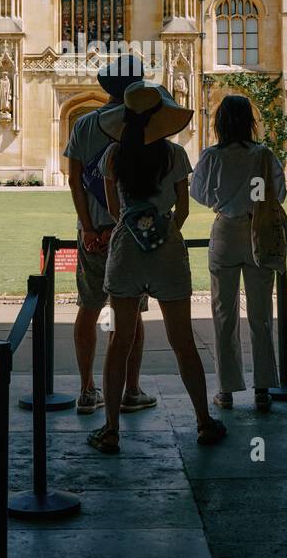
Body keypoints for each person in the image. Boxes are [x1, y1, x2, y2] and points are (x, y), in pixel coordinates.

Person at [85, 82, 227, 453]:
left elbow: (115, 211)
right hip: (167, 249)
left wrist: (135, 228)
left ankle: (111, 429)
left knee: (119, 341)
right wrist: (163, 232)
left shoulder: (113, 155)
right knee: (183, 341)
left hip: (125, 249)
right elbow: (183, 209)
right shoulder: (176, 155)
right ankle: (203, 422)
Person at [64, 55, 155, 416]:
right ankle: (131, 390)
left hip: (93, 233)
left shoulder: (85, 123)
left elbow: (74, 179)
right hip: (130, 232)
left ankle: (87, 390)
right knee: (130, 314)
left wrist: (88, 227)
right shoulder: (144, 124)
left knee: (88, 308)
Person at [190, 94, 287, 412]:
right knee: (261, 316)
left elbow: (200, 194)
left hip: (225, 231)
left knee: (223, 314)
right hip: (256, 231)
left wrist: (225, 199)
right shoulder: (263, 155)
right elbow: (279, 193)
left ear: (220, 123)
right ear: (249, 121)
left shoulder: (211, 156)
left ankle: (227, 390)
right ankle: (262, 390)